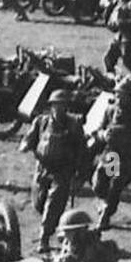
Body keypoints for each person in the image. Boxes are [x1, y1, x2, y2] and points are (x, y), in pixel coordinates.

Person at [20, 89, 86, 252]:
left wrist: (79, 175)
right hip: (42, 169)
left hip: (62, 171)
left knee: (53, 204)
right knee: (39, 203)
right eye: (56, 105)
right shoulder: (41, 122)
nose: (58, 109)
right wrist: (26, 145)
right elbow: (29, 138)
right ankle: (56, 225)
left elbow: (82, 150)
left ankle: (44, 237)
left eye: (62, 105)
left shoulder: (73, 125)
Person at [90, 80, 131, 231]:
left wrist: (128, 141)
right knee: (99, 184)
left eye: (122, 95)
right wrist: (104, 135)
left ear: (129, 96)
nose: (119, 98)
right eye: (117, 95)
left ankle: (105, 215)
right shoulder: (111, 111)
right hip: (112, 153)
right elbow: (99, 129)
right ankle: (106, 204)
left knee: (115, 184)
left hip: (128, 156)